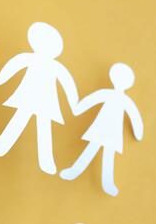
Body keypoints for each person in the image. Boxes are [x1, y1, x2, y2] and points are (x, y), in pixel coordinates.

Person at [0, 22, 79, 174]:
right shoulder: (32, 60)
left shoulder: (40, 62)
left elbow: (68, 84)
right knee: (27, 125)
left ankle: (45, 161)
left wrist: (76, 105)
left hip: (41, 100)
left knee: (37, 127)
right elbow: (6, 73)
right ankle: (2, 148)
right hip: (31, 98)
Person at [59, 63, 144, 196]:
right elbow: (93, 100)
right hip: (102, 128)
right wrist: (78, 108)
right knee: (95, 151)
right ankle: (76, 171)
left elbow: (134, 116)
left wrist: (138, 132)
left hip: (111, 131)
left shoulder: (121, 99)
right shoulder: (114, 96)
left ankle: (106, 182)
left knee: (105, 154)